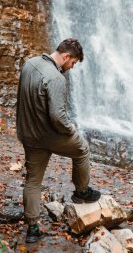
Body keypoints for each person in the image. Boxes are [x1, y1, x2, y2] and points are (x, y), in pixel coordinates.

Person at [16, 38, 101, 243]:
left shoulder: (30, 63)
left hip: (28, 133)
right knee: (81, 148)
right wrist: (71, 129)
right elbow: (58, 117)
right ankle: (81, 191)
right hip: (48, 135)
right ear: (66, 56)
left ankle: (33, 229)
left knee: (33, 180)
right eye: (73, 63)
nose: (71, 68)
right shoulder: (56, 78)